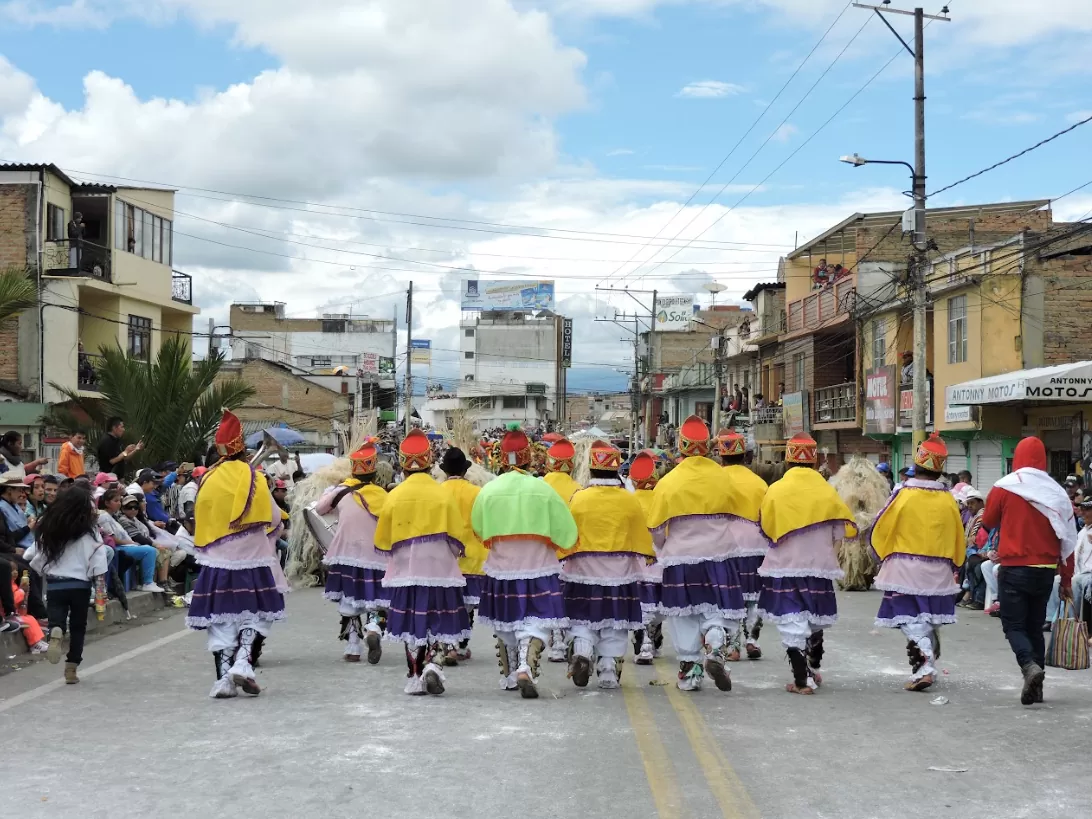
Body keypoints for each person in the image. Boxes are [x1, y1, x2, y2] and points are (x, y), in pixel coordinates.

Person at [187, 410, 289, 699]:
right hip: (252, 559)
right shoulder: (254, 477)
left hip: (216, 560)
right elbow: (273, 518)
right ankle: (243, 662)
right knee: (256, 615)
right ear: (242, 448)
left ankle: (223, 681)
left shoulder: (207, 479)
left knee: (221, 620)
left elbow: (201, 517)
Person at [472, 423, 577, 699]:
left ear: (501, 458)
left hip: (502, 566)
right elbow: (566, 530)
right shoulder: (543, 489)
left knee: (505, 620)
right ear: (529, 457)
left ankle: (511, 673)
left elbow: (478, 527)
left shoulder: (489, 490)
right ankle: (525, 664)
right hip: (538, 564)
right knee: (537, 618)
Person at [646, 416, 747, 693]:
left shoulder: (669, 481)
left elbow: (656, 528)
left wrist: (663, 547)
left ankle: (690, 673)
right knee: (715, 608)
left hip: (680, 556)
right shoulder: (723, 477)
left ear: (681, 446)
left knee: (684, 615)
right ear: (707, 447)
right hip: (719, 554)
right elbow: (735, 513)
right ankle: (714, 642)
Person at [374, 430, 473, 696]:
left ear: (403, 465)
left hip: (406, 569)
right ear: (429, 464)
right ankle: (433, 664)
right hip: (439, 566)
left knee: (411, 622)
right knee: (440, 616)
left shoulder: (394, 495)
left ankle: (416, 676)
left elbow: (384, 540)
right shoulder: (442, 494)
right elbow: (456, 537)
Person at [758, 433, 857, 695]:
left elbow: (767, 528)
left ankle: (802, 679)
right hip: (819, 565)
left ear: (788, 460)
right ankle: (811, 666)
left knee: (791, 618)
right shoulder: (827, 491)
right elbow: (838, 532)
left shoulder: (776, 489)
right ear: (813, 462)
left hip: (785, 564)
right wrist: (829, 559)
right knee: (813, 616)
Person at [981, 436, 1076, 706]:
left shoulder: (1005, 486)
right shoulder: (1056, 492)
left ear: (1018, 458)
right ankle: (1037, 689)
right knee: (1034, 627)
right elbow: (1067, 539)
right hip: (1045, 570)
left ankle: (1028, 666)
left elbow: (988, 520)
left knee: (1013, 625)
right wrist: (1066, 580)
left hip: (1014, 568)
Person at [869, 434, 965, 692]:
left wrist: (881, 554)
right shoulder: (948, 499)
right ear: (939, 471)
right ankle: (926, 659)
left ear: (916, 466)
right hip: (939, 568)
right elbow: (958, 533)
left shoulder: (903, 495)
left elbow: (881, 525)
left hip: (905, 566)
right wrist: (955, 563)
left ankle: (925, 665)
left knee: (908, 616)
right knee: (928, 616)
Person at [561, 440, 653, 689]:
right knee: (615, 621)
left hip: (582, 570)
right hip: (619, 571)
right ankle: (608, 671)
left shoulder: (579, 499)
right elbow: (640, 534)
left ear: (591, 469)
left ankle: (582, 650)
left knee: (581, 616)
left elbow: (568, 534)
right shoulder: (628, 500)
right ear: (616, 469)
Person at [23, 485, 109, 684]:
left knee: (57, 617)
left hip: (55, 584)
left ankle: (56, 631)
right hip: (80, 585)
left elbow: (31, 553)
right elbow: (99, 560)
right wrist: (100, 591)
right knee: (78, 627)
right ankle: (71, 668)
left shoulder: (51, 527)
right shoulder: (90, 531)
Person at [318, 439, 389, 664]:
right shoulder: (383, 496)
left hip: (346, 553)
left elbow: (319, 509)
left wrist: (334, 490)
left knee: (349, 601)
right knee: (377, 599)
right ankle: (374, 628)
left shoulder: (341, 492)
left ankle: (353, 647)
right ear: (374, 474)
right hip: (377, 556)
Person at [716, 429, 769, 661]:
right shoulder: (759, 483)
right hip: (756, 544)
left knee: (728, 596)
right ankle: (752, 640)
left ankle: (732, 645)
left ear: (721, 455)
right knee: (754, 596)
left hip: (725, 545)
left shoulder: (715, 480)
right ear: (745, 456)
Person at [439, 446, 487, 663]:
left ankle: (449, 643)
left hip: (444, 557)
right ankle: (460, 645)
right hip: (473, 556)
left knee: (447, 603)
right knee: (466, 606)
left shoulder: (437, 491)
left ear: (445, 471)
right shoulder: (477, 492)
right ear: (465, 470)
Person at [541, 437, 580, 661]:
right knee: (566, 597)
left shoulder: (539, 485)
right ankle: (563, 640)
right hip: (569, 551)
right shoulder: (578, 488)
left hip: (544, 550)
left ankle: (555, 641)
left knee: (549, 596)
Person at [630, 450, 664, 664]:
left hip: (636, 560)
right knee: (658, 603)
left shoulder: (629, 501)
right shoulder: (661, 499)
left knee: (641, 603)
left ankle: (644, 644)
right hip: (659, 558)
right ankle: (653, 638)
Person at [957, 489, 989, 610]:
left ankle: (974, 596)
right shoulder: (972, 517)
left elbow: (975, 539)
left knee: (973, 564)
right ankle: (968, 594)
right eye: (968, 503)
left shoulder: (982, 517)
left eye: (972, 503)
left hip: (983, 550)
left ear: (980, 503)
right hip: (978, 550)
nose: (969, 506)